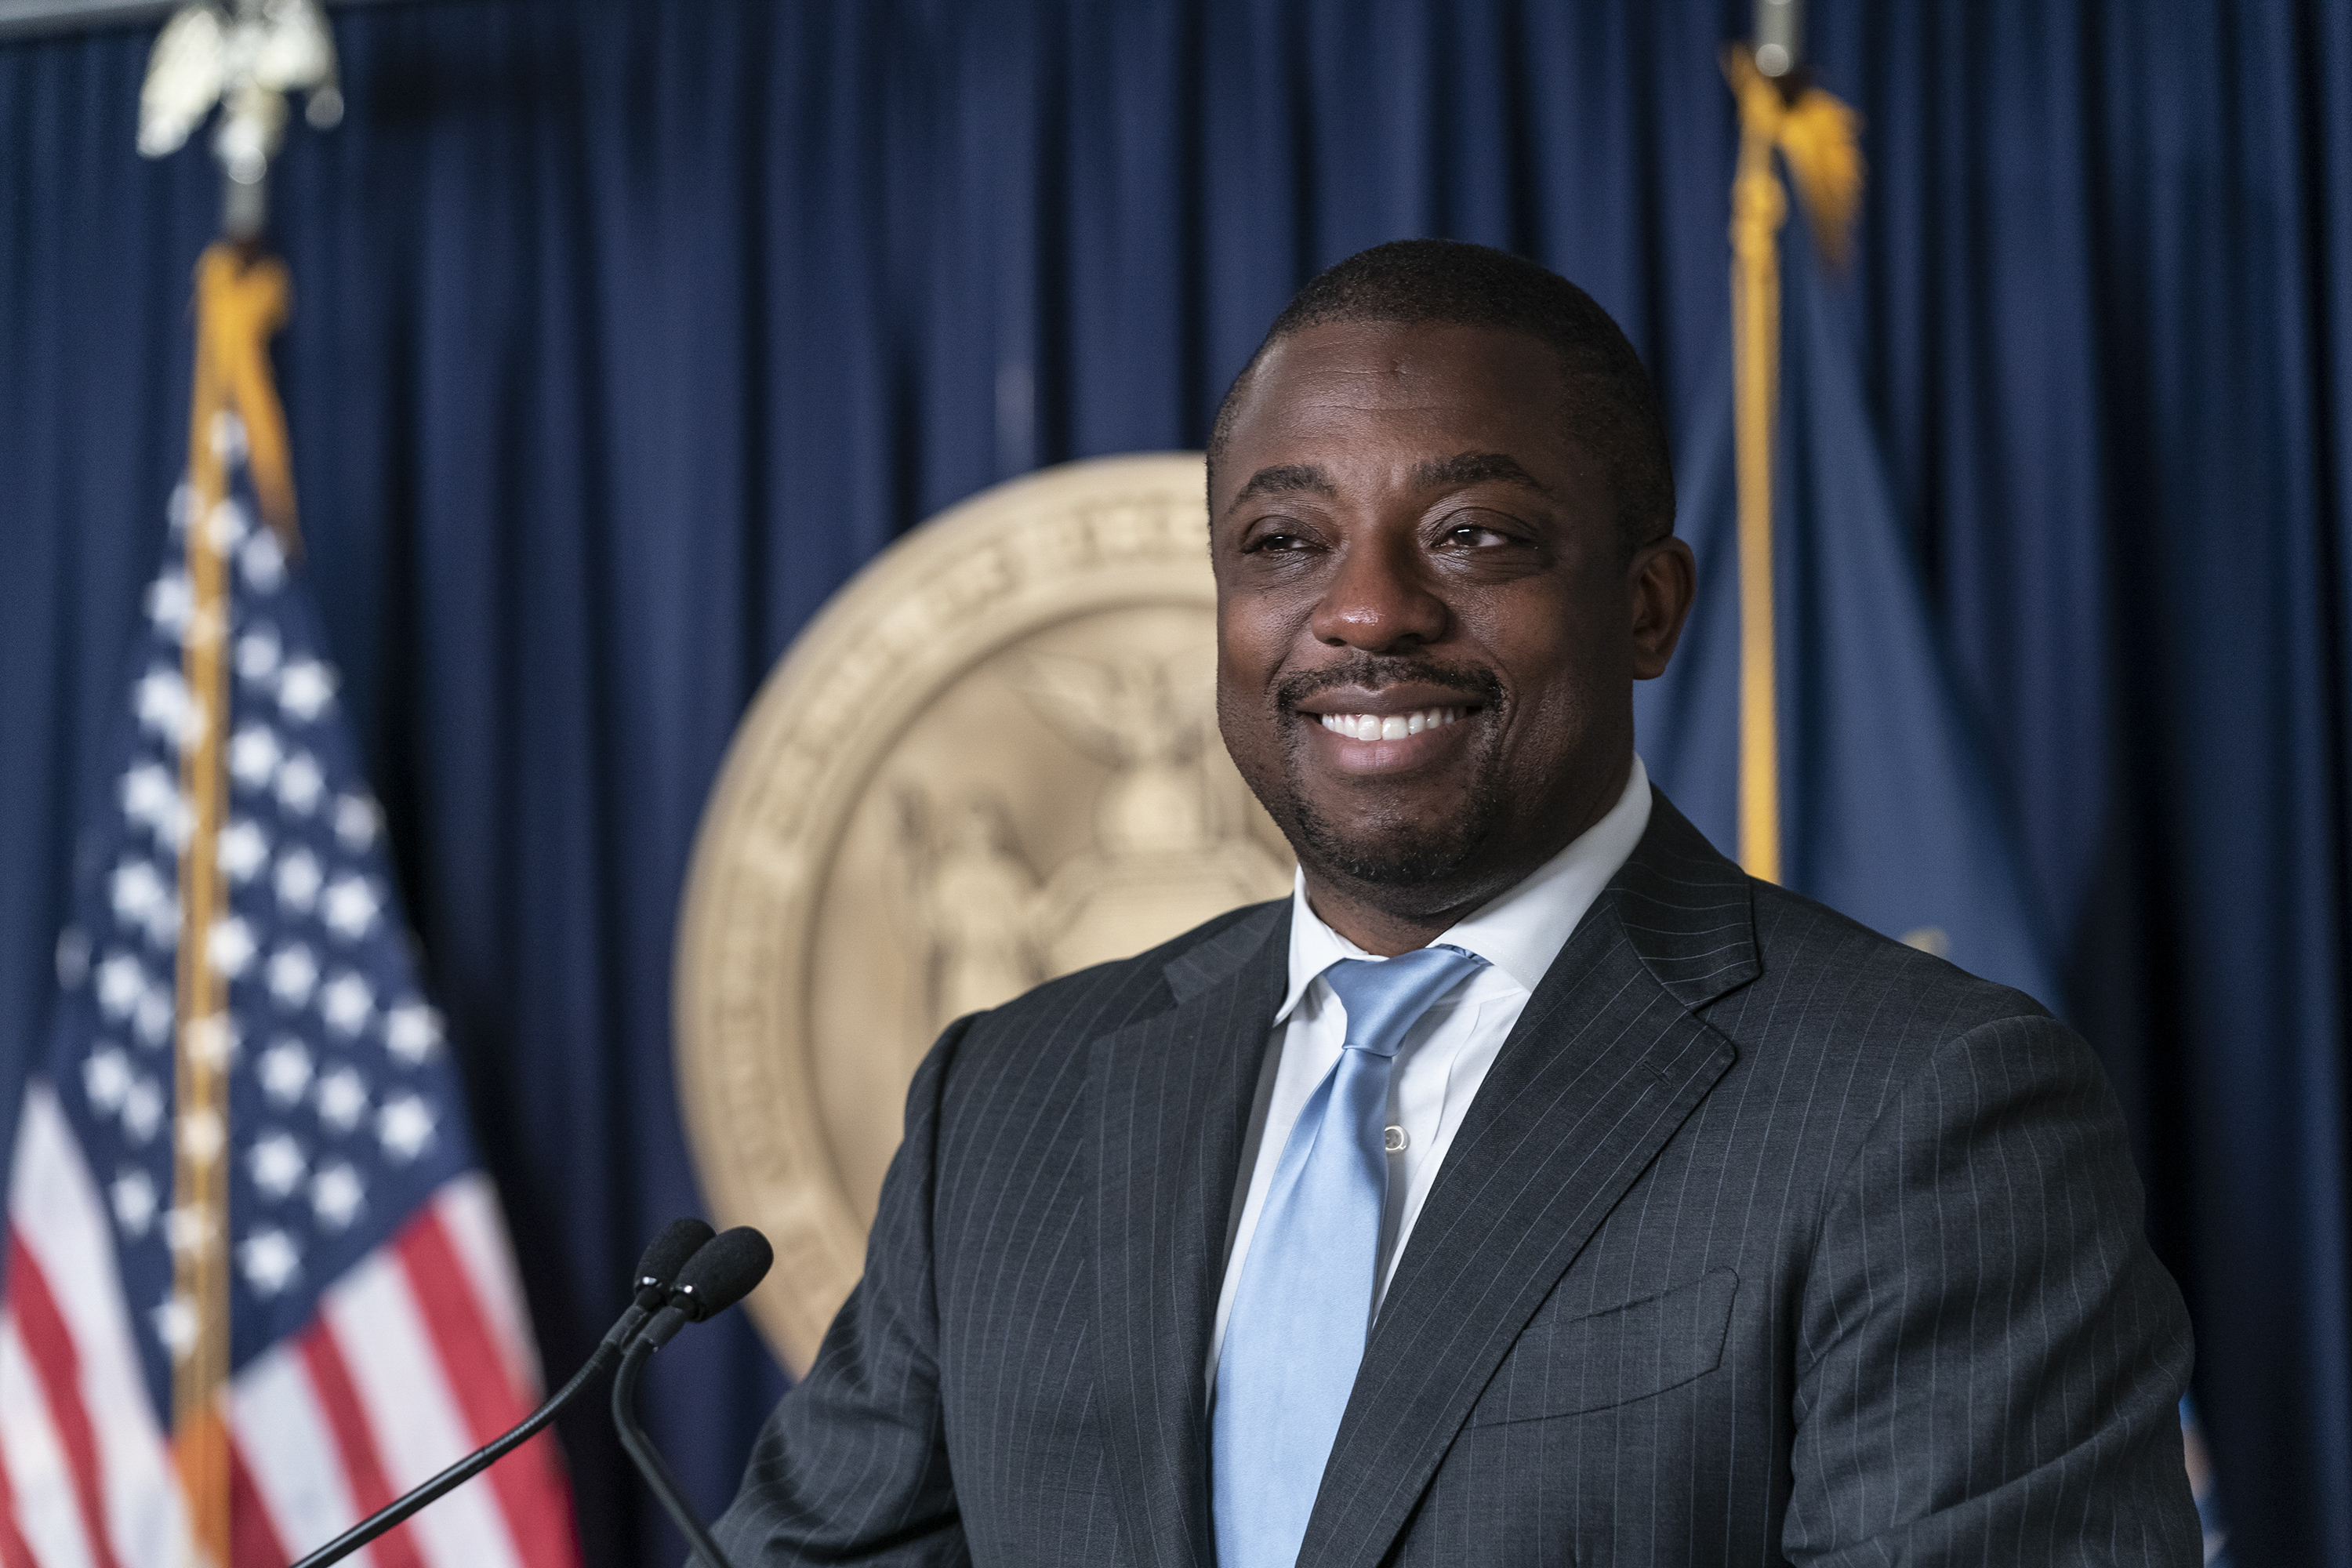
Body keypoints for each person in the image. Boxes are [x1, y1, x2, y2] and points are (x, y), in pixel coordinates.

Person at [711, 239, 2201, 1565]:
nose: (1365, 611)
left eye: (1474, 535)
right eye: (1284, 543)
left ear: (1647, 607)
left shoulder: (1928, 1109)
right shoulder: (1012, 1096)